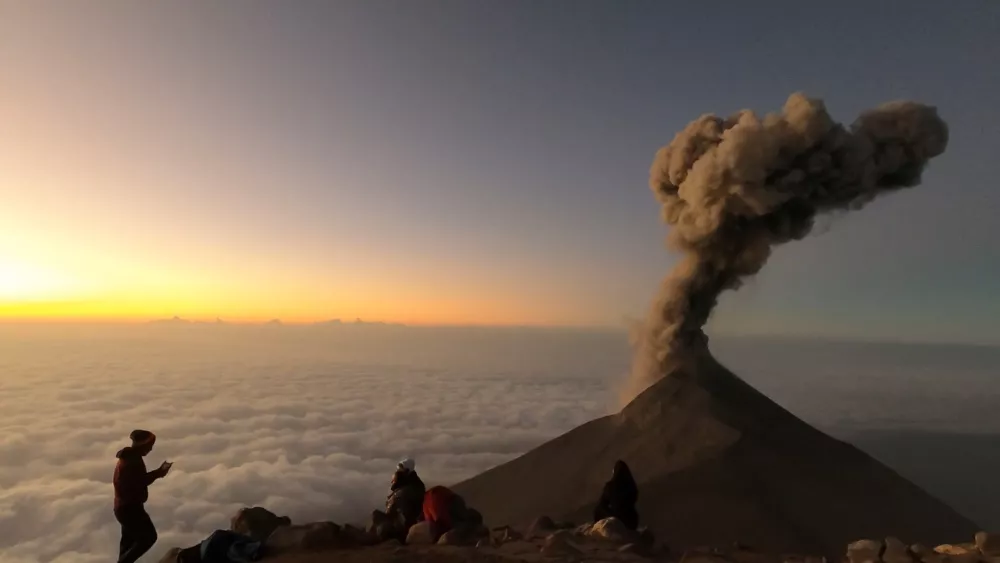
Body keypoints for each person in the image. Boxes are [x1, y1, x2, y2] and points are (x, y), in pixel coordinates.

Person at [113, 429, 172, 563]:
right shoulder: (132, 461)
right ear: (142, 445)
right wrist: (158, 473)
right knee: (149, 537)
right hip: (130, 508)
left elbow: (137, 480)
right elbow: (139, 481)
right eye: (149, 446)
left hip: (122, 508)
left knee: (127, 544)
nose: (150, 449)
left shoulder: (129, 457)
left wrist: (157, 473)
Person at [593, 459, 639, 530]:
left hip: (617, 518)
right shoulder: (632, 487)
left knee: (599, 508)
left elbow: (602, 503)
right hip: (630, 520)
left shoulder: (611, 486)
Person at [387, 458, 425, 529]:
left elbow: (391, 511)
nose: (397, 471)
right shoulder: (414, 484)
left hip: (405, 527)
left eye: (400, 469)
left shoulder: (406, 490)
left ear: (407, 471)